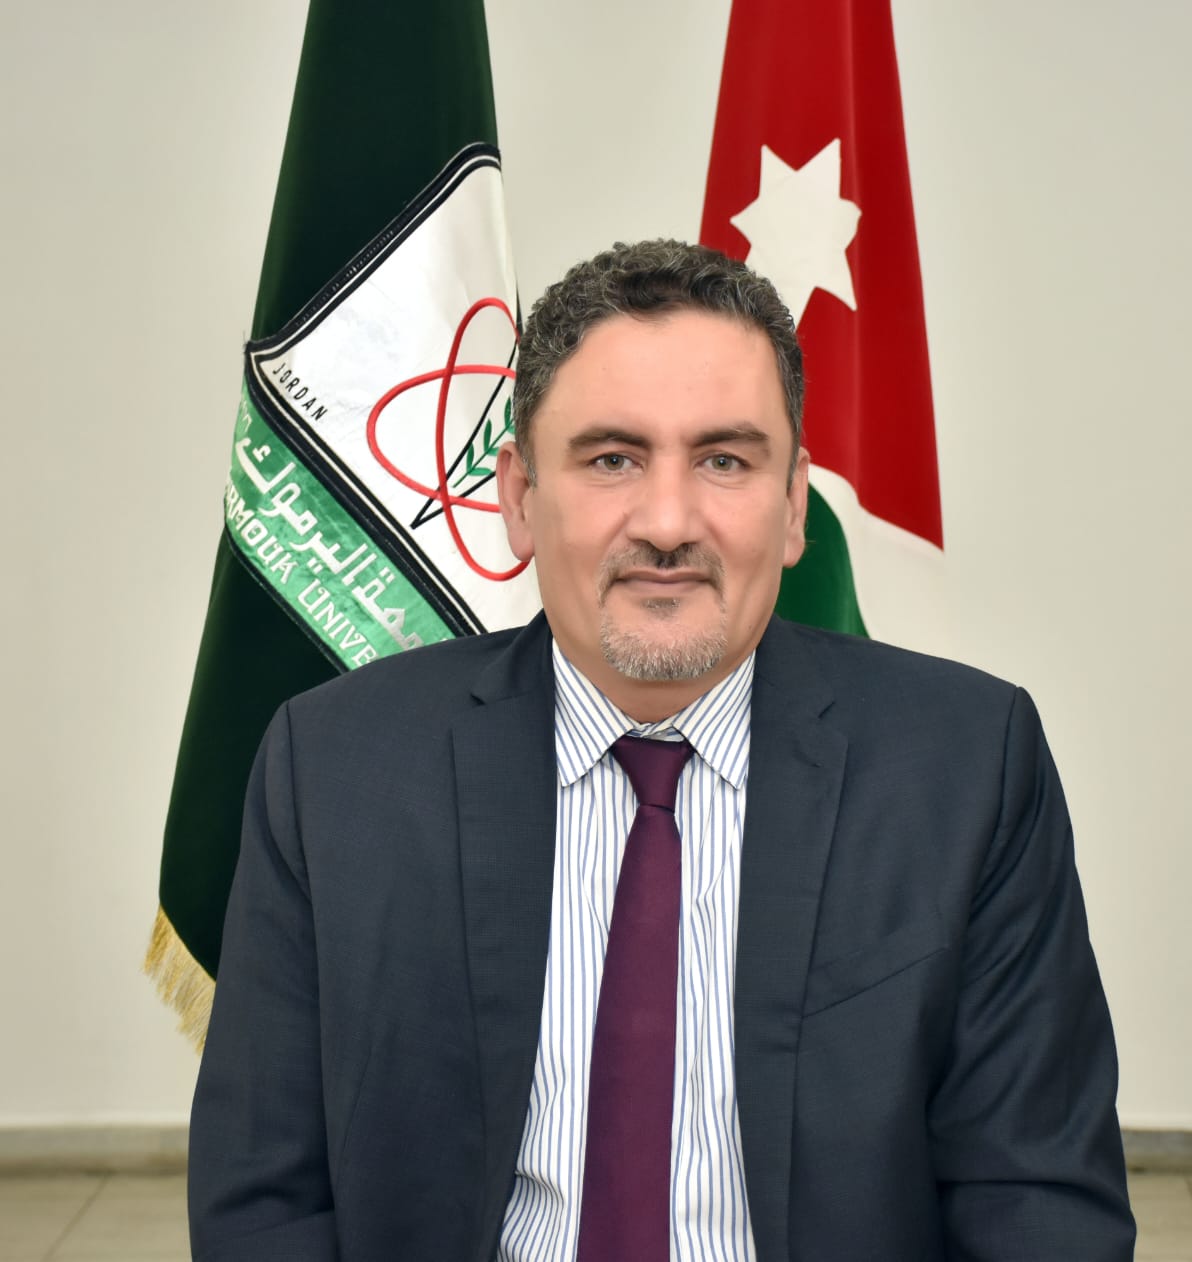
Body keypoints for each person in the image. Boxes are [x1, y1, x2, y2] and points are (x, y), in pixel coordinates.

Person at [188, 240, 1135, 1261]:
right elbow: (266, 1199)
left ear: (792, 506)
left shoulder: (966, 767)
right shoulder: (334, 770)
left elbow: (1037, 1201)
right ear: (517, 498)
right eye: (612, 459)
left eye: (724, 460)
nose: (670, 521)